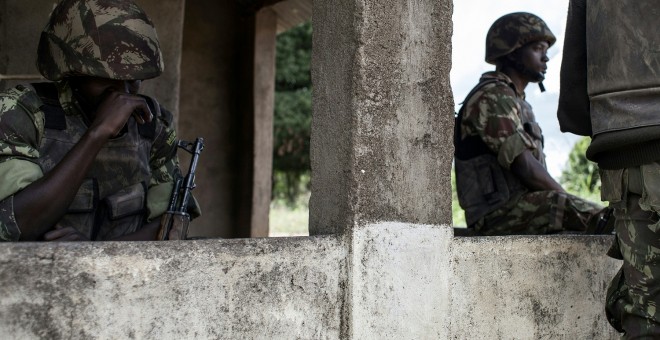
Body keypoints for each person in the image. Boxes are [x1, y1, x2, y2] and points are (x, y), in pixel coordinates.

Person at [0, 0, 198, 242]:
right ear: (72, 74)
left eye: (133, 79)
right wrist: (98, 133)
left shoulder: (152, 124)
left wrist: (96, 254)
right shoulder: (22, 113)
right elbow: (15, 224)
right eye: (106, 78)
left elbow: (173, 226)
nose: (123, 91)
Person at [558, 0, 660, 337]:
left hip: (624, 144)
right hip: (631, 147)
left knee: (645, 314)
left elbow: (576, 58)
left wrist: (606, 120)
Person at [454, 12, 605, 236]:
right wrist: (567, 200)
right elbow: (524, 166)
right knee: (600, 219)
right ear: (511, 53)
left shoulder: (518, 103)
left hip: (523, 208)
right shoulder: (492, 96)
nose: (545, 58)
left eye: (546, 50)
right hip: (496, 215)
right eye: (536, 49)